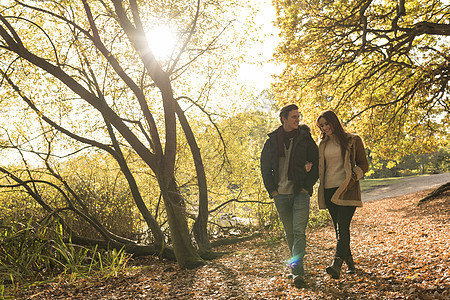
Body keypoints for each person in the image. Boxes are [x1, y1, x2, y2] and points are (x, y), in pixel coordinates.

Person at [260, 104, 319, 287]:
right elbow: (265, 168)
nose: (297, 119)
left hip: (300, 193)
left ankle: (297, 273)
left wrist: (306, 187)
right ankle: (297, 268)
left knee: (299, 232)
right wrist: (273, 191)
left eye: (298, 116)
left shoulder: (305, 139)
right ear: (284, 118)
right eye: (294, 116)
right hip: (280, 195)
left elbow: (316, 164)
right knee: (290, 234)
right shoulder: (271, 141)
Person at [316, 109, 369, 279]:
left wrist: (354, 177)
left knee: (343, 226)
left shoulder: (353, 140)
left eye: (326, 123)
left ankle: (336, 263)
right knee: (339, 230)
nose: (325, 128)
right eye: (321, 126)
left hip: (347, 189)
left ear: (334, 122)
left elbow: (363, 164)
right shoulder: (322, 144)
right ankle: (351, 265)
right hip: (329, 190)